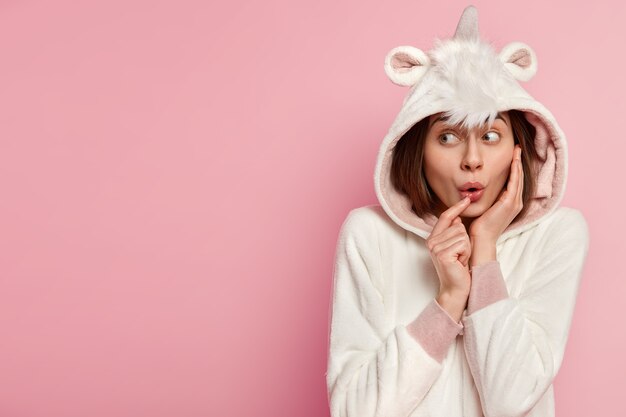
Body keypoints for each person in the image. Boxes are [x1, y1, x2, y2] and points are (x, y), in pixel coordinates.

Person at [325, 5, 590, 417]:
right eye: (447, 136)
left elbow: (510, 400)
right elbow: (355, 411)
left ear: (519, 148)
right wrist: (449, 300)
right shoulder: (368, 234)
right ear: (417, 149)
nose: (472, 159)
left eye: (490, 135)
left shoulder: (558, 235)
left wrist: (485, 254)